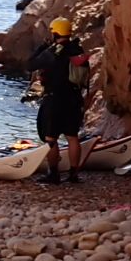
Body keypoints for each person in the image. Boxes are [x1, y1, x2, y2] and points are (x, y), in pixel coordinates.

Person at [29, 16, 90, 183]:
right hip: (74, 99)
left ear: (55, 33)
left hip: (54, 100)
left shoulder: (51, 52)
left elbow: (30, 64)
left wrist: (42, 46)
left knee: (50, 139)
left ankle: (54, 174)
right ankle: (73, 174)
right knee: (72, 137)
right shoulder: (77, 49)